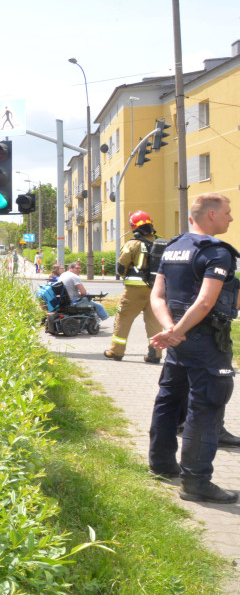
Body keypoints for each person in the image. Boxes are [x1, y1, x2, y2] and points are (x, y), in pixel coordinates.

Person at [148, 192, 239, 503]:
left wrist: (169, 331)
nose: (230, 217)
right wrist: (178, 332)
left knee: (169, 401)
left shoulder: (172, 247)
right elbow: (204, 302)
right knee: (206, 407)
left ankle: (161, 465)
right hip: (203, 342)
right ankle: (196, 482)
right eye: (227, 212)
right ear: (211, 215)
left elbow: (157, 296)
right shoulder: (217, 253)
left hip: (178, 342)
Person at [104, 211, 164, 364]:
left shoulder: (132, 244)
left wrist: (126, 276)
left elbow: (120, 268)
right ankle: (155, 354)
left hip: (134, 291)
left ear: (133, 227)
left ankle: (116, 351)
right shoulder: (163, 244)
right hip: (156, 290)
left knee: (123, 319)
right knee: (154, 322)